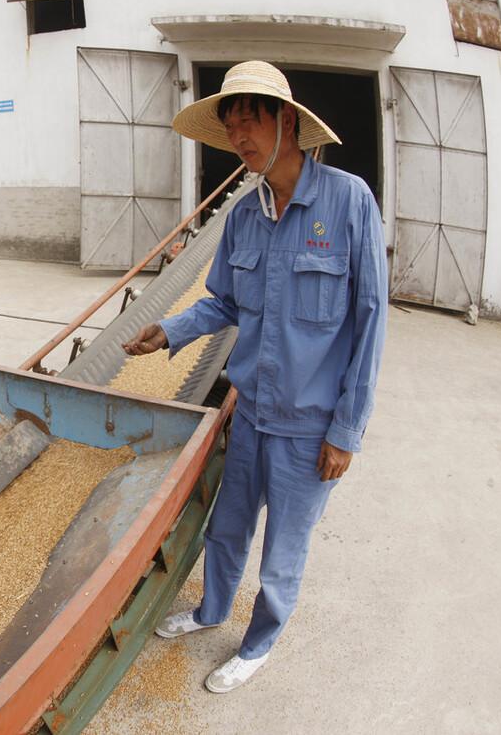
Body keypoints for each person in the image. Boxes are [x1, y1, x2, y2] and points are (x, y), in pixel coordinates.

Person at [123, 61, 387, 693]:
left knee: (282, 552)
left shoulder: (349, 203)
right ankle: (211, 610)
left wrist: (346, 431)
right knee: (228, 528)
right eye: (231, 128)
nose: (238, 139)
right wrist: (171, 330)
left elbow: (371, 321)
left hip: (309, 425)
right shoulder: (243, 216)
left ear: (285, 123)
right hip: (252, 415)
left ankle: (259, 642)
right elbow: (224, 303)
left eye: (249, 123)